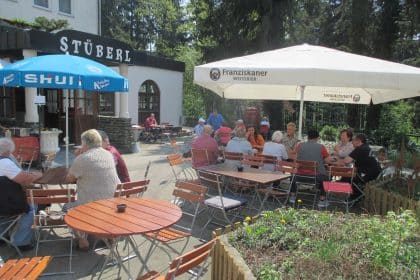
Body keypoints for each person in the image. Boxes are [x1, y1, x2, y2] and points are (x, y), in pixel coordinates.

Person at [65, 129, 120, 250]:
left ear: (84, 144)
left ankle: (82, 240)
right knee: (99, 195)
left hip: (91, 205)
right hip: (112, 202)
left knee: (67, 207)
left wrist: (78, 156)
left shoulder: (82, 158)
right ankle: (108, 236)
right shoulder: (108, 154)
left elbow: (69, 179)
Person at [0, 137, 42, 251]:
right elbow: (24, 179)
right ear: (9, 152)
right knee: (32, 207)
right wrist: (37, 175)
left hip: (3, 205)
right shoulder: (4, 162)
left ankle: (2, 236)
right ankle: (21, 242)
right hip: (7, 206)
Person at [289, 130, 330, 208]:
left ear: (307, 137)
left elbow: (293, 155)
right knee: (326, 178)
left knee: (293, 175)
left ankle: (292, 196)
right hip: (315, 177)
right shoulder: (321, 147)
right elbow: (327, 160)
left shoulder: (300, 145)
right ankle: (322, 200)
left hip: (299, 176)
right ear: (317, 138)